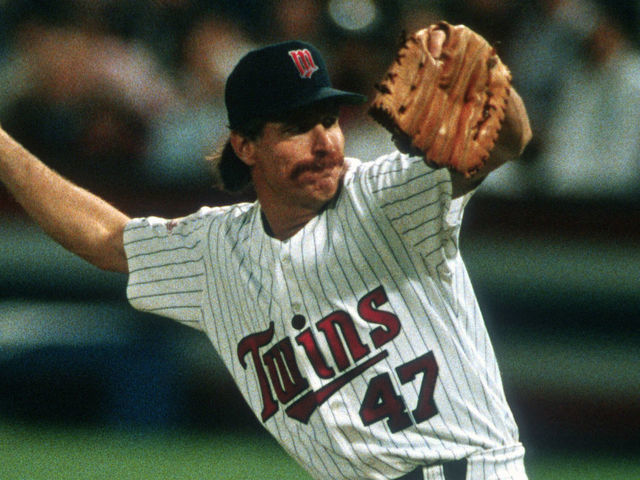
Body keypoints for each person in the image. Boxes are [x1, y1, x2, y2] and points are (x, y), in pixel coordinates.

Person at [0, 36, 532, 480]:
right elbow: (103, 238)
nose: (325, 141)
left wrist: (491, 79)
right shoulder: (215, 252)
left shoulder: (386, 193)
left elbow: (509, 141)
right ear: (246, 146)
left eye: (330, 118)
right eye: (298, 127)